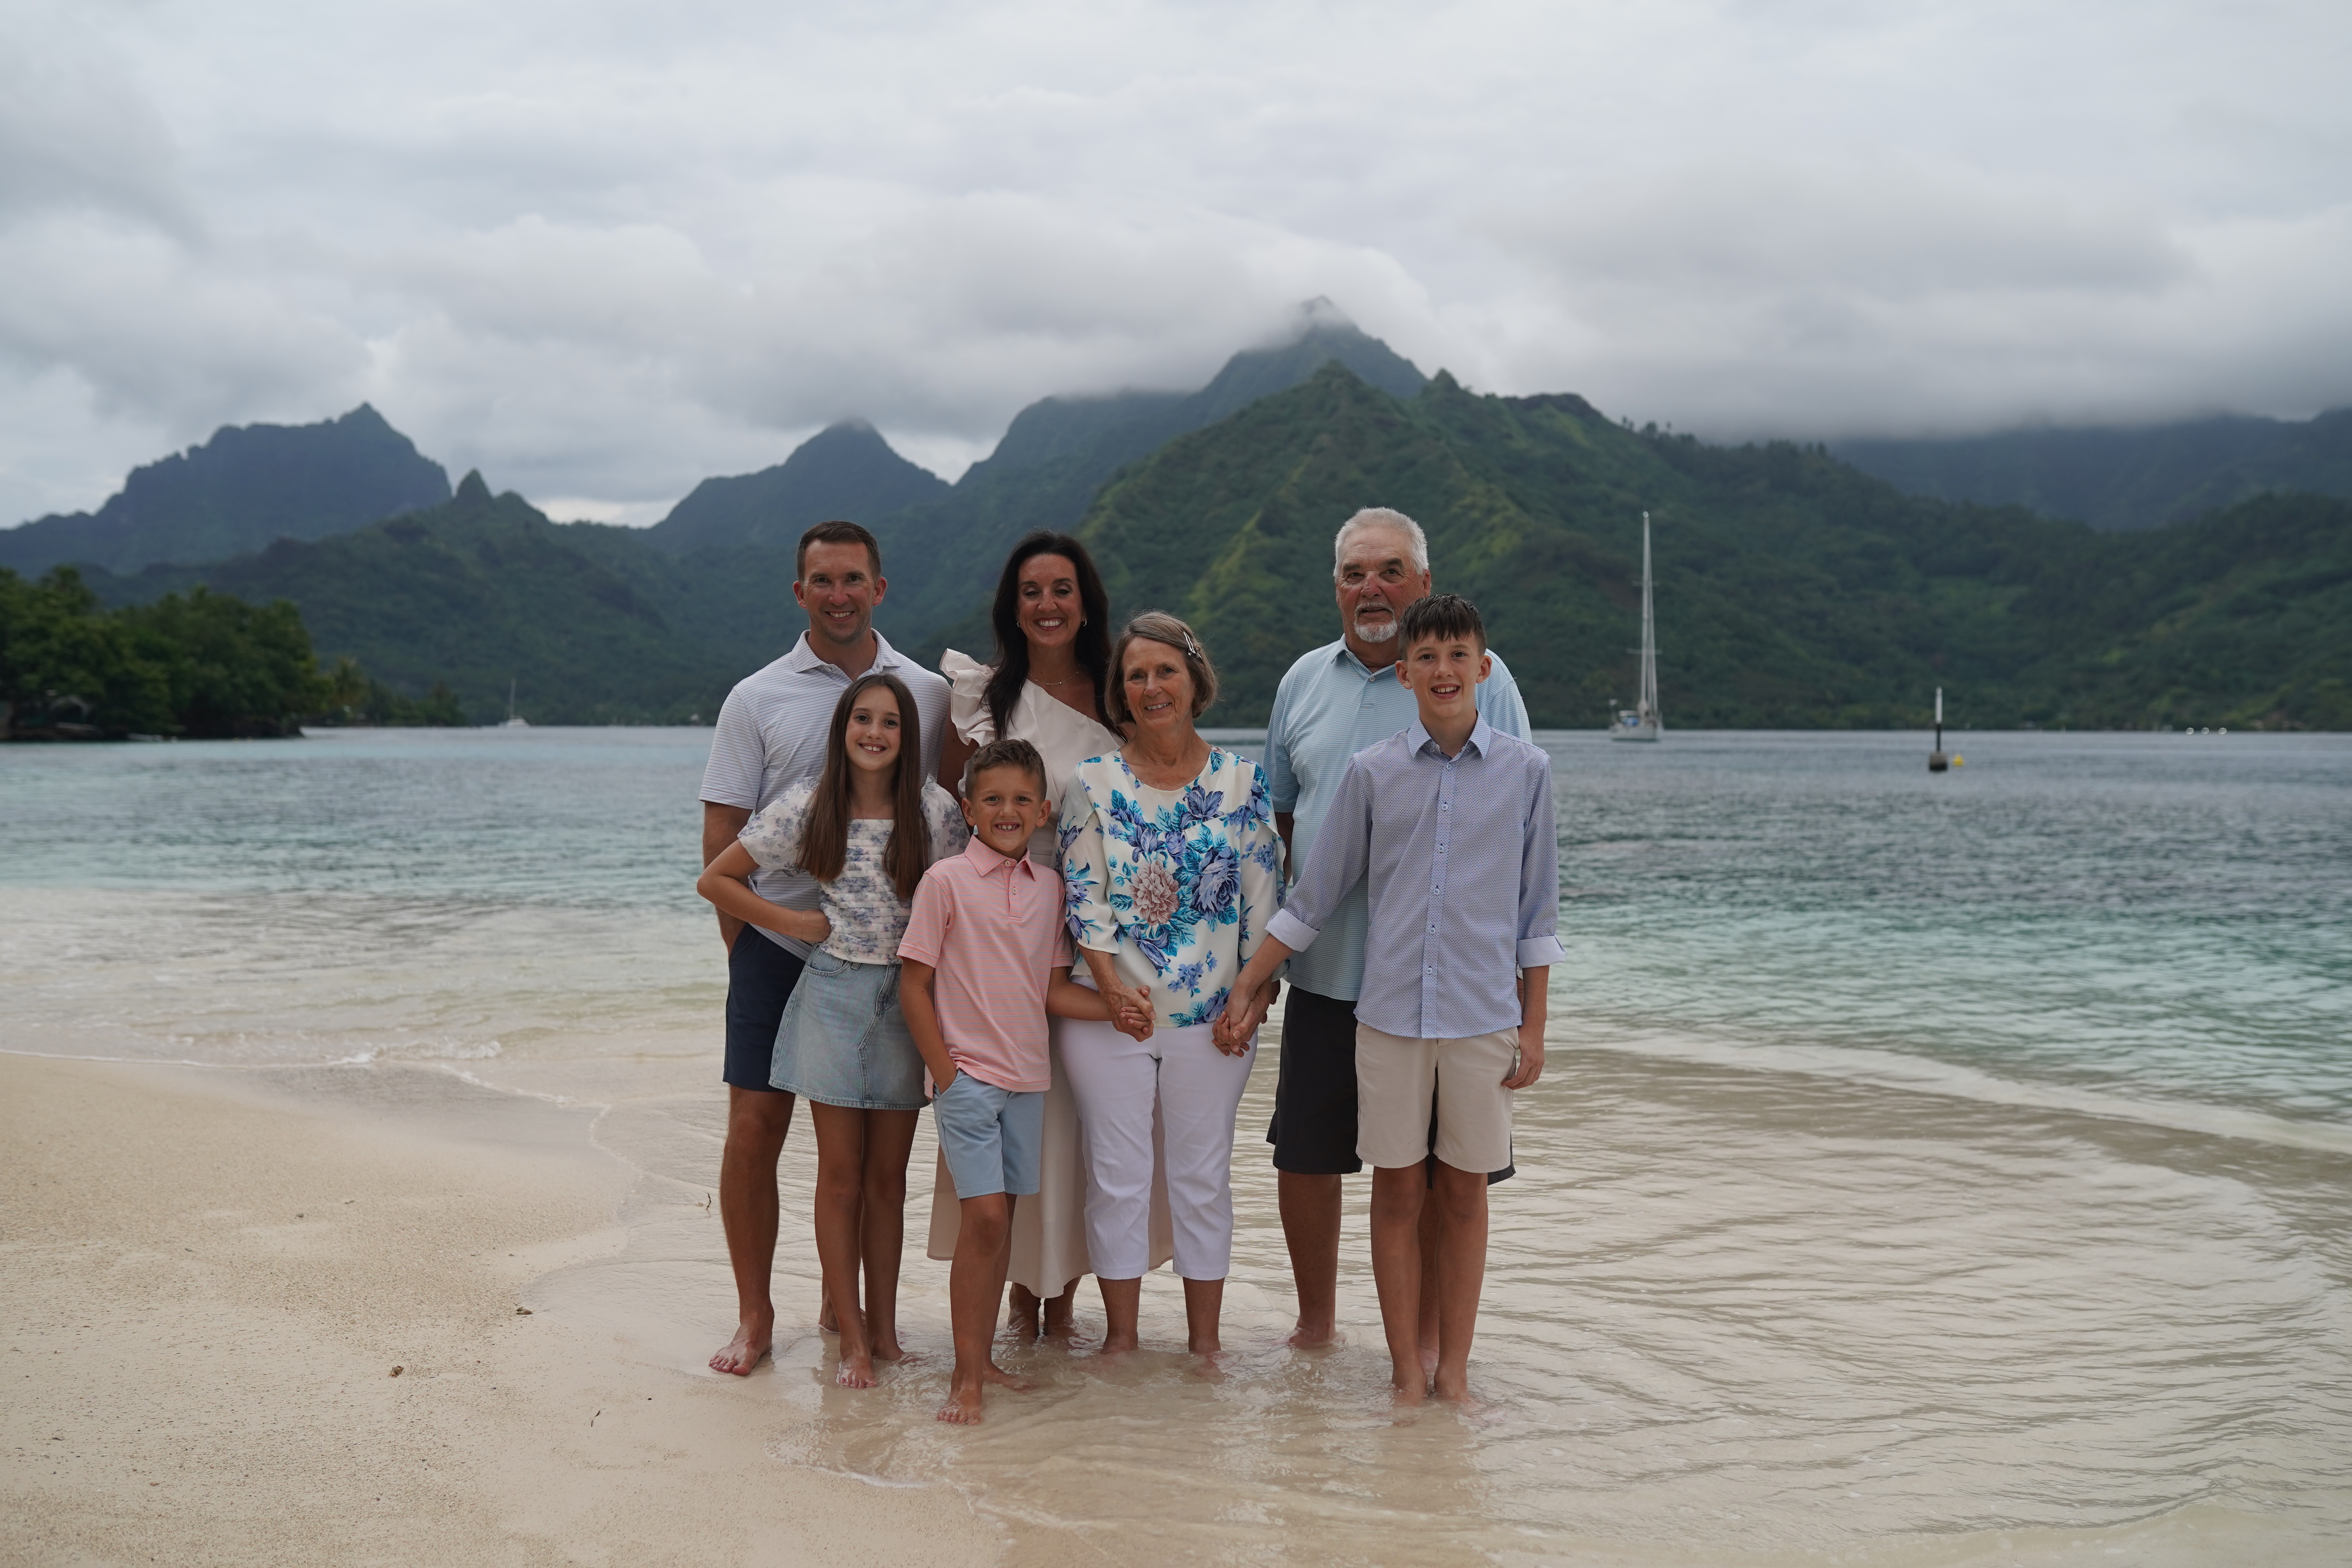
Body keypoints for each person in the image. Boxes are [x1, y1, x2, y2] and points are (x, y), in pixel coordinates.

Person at [1221, 593, 1563, 1404]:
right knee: (1399, 1189)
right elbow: (1314, 895)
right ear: (1404, 673)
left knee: (1467, 1193)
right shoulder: (1373, 773)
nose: (1444, 671)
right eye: (1428, 658)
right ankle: (1407, 1373)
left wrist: (1536, 1027)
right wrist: (1249, 979)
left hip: (1484, 1019)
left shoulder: (1527, 772)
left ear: (1484, 668)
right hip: (1388, 1020)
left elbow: (1538, 913)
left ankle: (1455, 1372)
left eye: (1459, 656)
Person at [697, 519, 951, 1377]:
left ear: (879, 587)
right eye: (822, 581)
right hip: (780, 941)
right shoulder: (756, 697)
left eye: (853, 579)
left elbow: (951, 820)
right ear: (800, 591)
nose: (838, 595)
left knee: (872, 1160)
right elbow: (722, 839)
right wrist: (751, 945)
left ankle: (850, 1310)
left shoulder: (925, 690)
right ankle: (755, 1314)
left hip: (889, 961)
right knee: (755, 1126)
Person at [927, 531, 1171, 1338]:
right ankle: (1013, 1296)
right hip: (996, 932)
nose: (1047, 605)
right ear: (1012, 605)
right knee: (1005, 1104)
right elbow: (951, 815)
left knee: (1081, 1116)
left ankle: (1064, 1295)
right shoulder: (981, 696)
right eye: (1031, 591)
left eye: (1062, 589)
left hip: (1100, 926)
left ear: (1086, 602)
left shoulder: (1120, 699)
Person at [1058, 612, 1283, 1356]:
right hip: (1110, 1018)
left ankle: (1205, 1351)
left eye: (1166, 672)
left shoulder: (1244, 783)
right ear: (1121, 692)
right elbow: (1085, 899)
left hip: (1216, 1021)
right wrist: (1109, 990)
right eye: (1136, 676)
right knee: (1116, 1178)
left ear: (1194, 681)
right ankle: (1121, 1344)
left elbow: (1263, 905)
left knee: (1202, 1179)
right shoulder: (1092, 783)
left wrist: (1252, 1001)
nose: (1152, 687)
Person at [898, 739, 1112, 1423]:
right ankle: (965, 1378)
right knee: (985, 1219)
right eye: (992, 799)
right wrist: (946, 1074)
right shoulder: (946, 881)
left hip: (1029, 1080)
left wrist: (1121, 1009)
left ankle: (983, 1359)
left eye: (1022, 799)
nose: (1008, 811)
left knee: (1004, 1224)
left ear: (1044, 811)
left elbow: (1054, 992)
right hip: (968, 1080)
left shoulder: (1050, 889)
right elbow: (914, 985)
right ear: (968, 809)